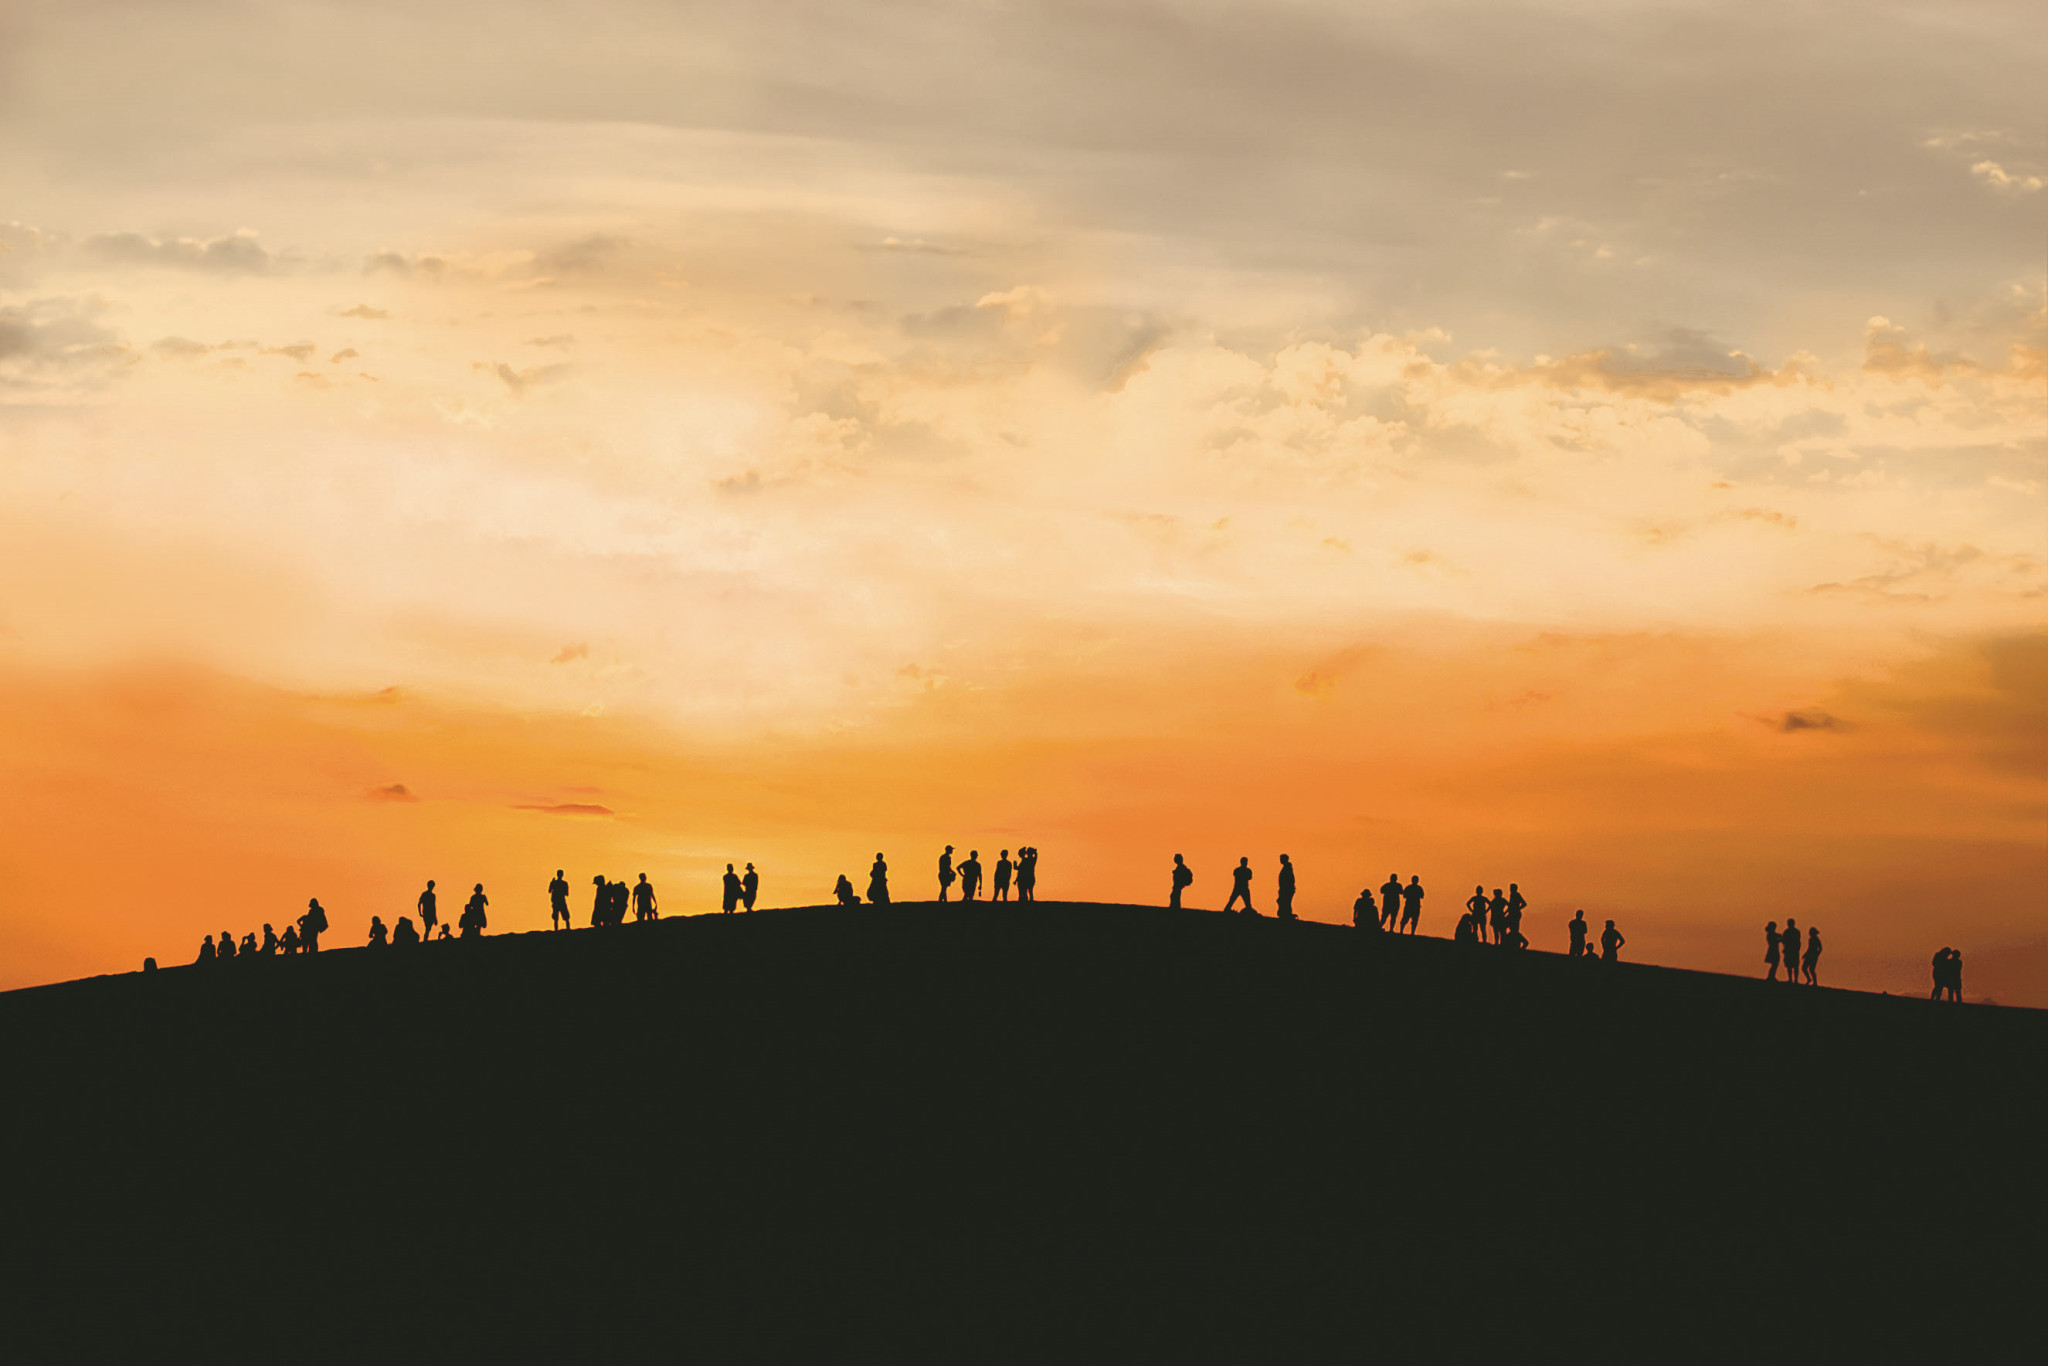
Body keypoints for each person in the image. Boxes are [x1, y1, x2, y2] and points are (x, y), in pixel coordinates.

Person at [1275, 855, 1297, 921]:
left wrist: (1285, 888)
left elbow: (1290, 879)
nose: (1280, 860)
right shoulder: (1287, 868)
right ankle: (1285, 913)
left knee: (1285, 901)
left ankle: (1286, 914)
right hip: (1285, 888)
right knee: (1284, 901)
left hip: (1286, 889)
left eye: (1281, 859)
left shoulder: (1287, 868)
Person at [1780, 921, 1802, 985]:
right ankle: (1795, 980)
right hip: (1794, 950)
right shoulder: (1796, 931)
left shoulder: (1786, 932)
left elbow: (1784, 941)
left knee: (1790, 965)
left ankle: (1791, 979)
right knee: (1794, 966)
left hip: (1790, 950)